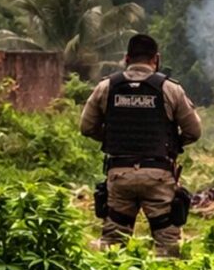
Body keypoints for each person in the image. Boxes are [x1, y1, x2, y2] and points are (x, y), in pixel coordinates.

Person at [80, 34, 202, 257]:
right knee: (167, 245)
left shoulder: (106, 87)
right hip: (158, 175)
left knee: (113, 244)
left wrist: (113, 138)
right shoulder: (170, 89)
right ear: (156, 59)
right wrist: (170, 144)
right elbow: (194, 131)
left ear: (126, 58)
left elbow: (87, 127)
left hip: (119, 175)